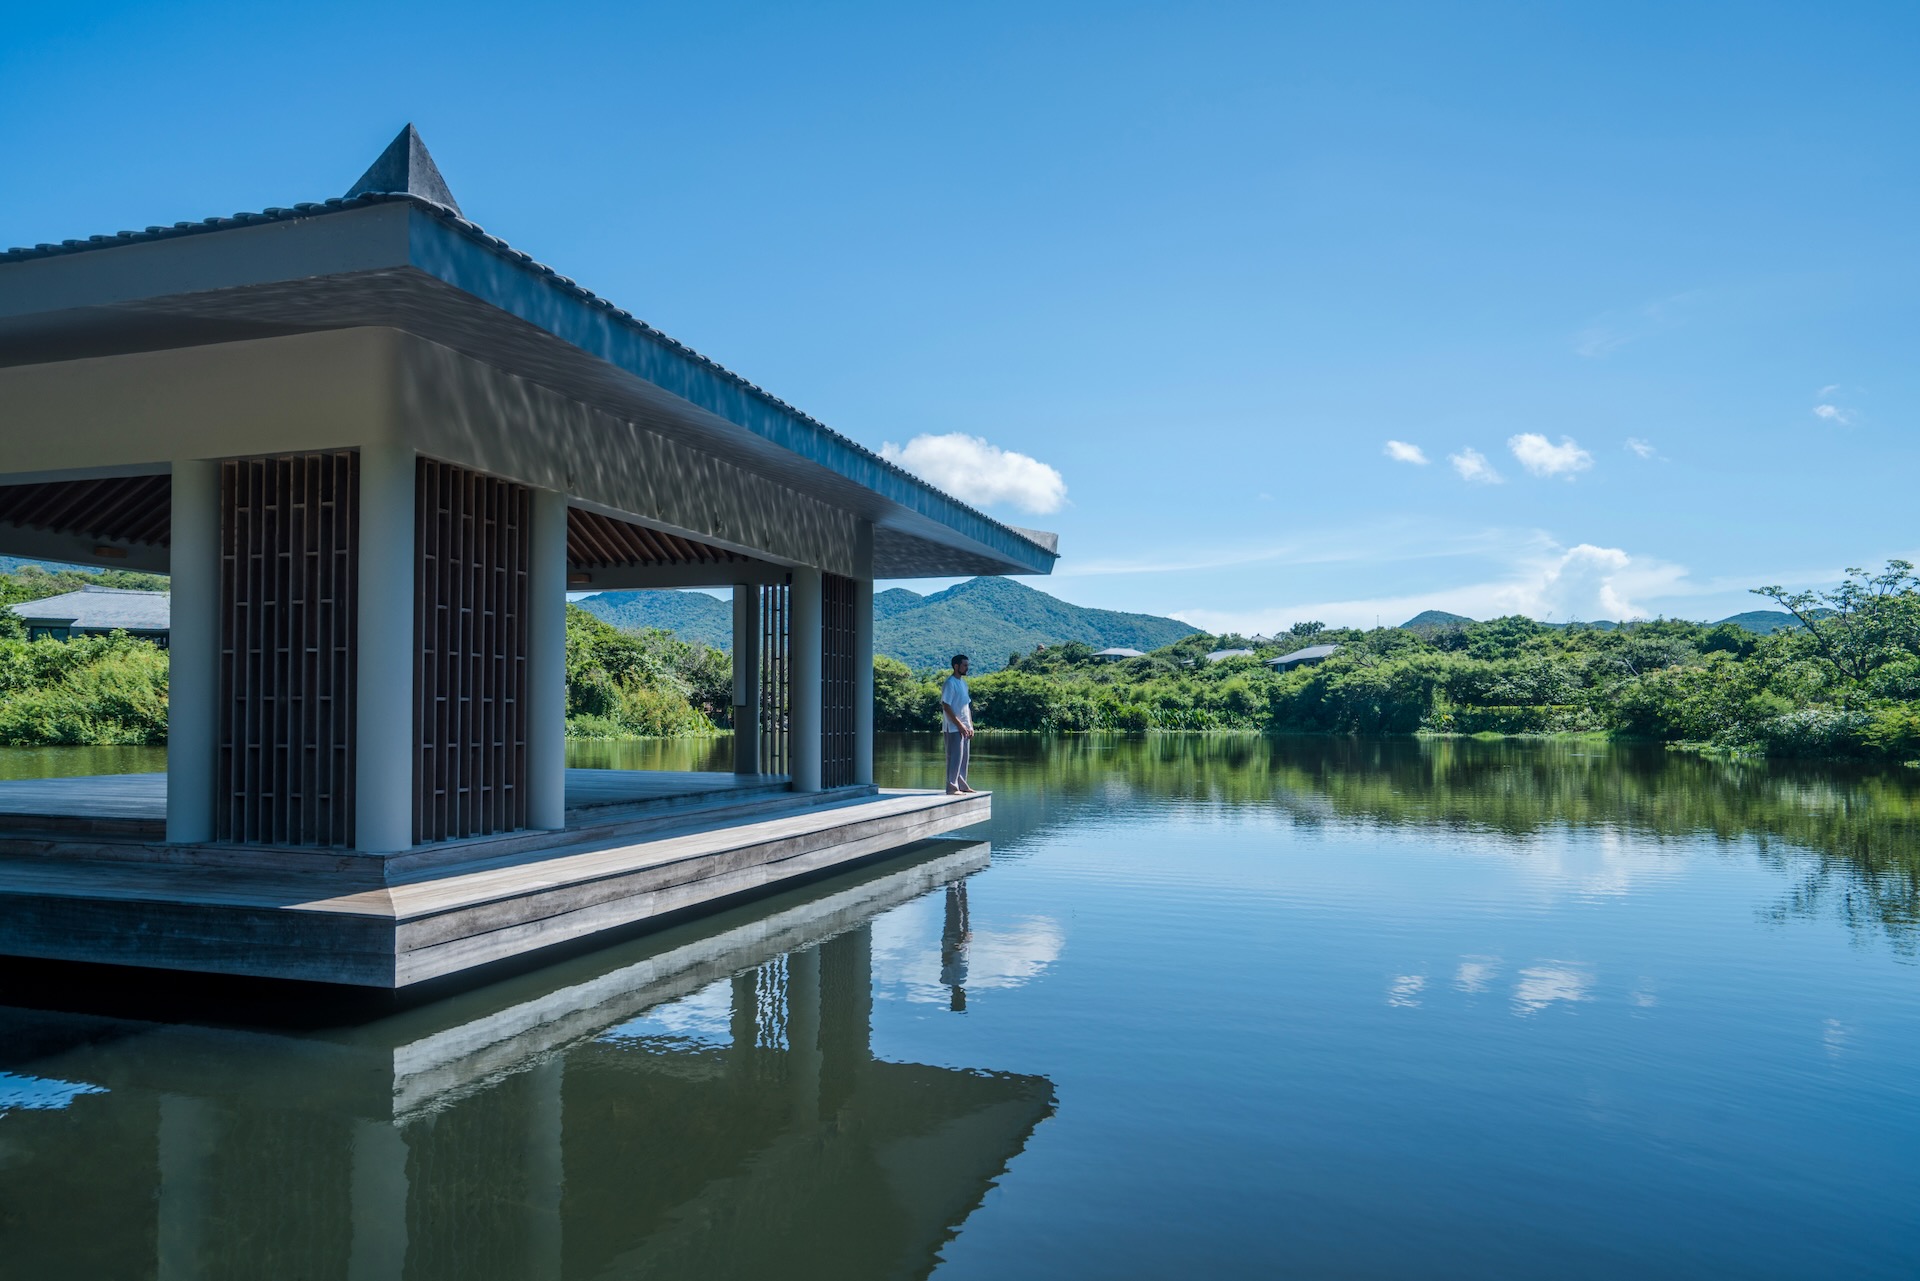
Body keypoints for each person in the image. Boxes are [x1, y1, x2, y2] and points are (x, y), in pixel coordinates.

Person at [940, 653, 975, 795]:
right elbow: (946, 705)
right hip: (953, 727)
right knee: (954, 757)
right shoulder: (950, 683)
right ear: (956, 666)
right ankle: (951, 787)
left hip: (964, 728)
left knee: (964, 758)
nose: (967, 668)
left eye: (967, 665)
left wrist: (970, 725)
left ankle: (962, 785)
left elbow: (966, 707)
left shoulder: (963, 683)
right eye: (965, 665)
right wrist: (959, 724)